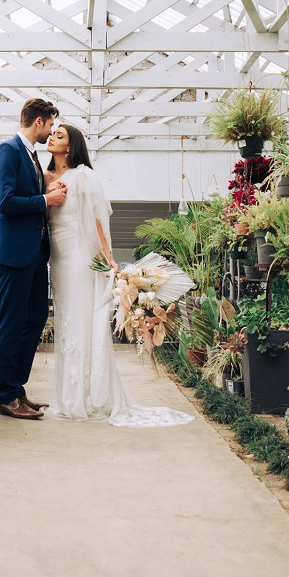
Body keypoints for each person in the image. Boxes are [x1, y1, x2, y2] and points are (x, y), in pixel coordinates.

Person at [43, 123, 194, 427]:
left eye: (59, 136)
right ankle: (69, 396)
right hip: (57, 257)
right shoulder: (44, 177)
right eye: (52, 133)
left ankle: (86, 397)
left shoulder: (83, 176)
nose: (51, 137)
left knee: (82, 319)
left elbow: (98, 223)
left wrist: (110, 260)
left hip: (79, 256)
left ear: (71, 147)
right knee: (67, 321)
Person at [0, 99, 66, 420]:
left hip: (33, 252)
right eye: (50, 125)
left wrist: (48, 190)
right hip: (15, 252)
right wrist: (47, 199)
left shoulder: (31, 155)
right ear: (39, 122)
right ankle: (6, 395)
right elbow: (4, 202)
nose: (51, 132)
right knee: (12, 320)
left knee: (35, 318)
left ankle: (16, 388)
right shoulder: (7, 150)